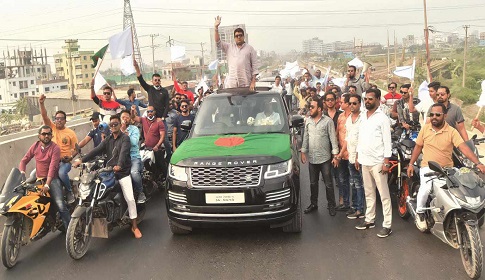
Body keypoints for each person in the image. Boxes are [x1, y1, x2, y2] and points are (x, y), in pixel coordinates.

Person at [407, 103, 485, 231]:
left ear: (445, 115)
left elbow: (463, 148)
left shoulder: (452, 131)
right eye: (431, 114)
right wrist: (411, 164)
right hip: (429, 168)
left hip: (448, 169)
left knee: (459, 187)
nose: (434, 117)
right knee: (426, 188)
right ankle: (420, 212)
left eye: (438, 114)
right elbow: (418, 147)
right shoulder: (425, 129)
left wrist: (478, 163)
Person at [73, 115, 142, 239]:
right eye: (111, 125)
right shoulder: (108, 139)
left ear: (120, 125)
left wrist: (119, 165)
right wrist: (81, 160)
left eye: (116, 124)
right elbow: (96, 150)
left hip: (122, 172)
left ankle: (135, 226)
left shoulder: (125, 138)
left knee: (130, 199)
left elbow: (123, 152)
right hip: (109, 172)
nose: (113, 126)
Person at [355, 88, 393, 238]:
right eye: (366, 98)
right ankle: (369, 219)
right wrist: (358, 155)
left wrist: (386, 161)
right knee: (369, 192)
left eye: (371, 99)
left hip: (378, 161)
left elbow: (387, 141)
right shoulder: (363, 116)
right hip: (365, 160)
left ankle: (387, 225)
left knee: (384, 195)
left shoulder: (382, 118)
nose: (367, 101)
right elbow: (361, 137)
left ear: (378, 99)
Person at [19, 125, 70, 229]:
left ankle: (70, 230)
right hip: (38, 177)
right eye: (43, 134)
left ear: (51, 136)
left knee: (60, 205)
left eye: (48, 134)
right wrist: (22, 173)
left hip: (52, 179)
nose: (46, 136)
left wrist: (47, 184)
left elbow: (52, 167)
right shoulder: (35, 146)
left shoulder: (55, 148)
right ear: (39, 136)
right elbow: (24, 160)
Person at [301, 97, 339, 216]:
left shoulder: (328, 121)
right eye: (309, 107)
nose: (310, 109)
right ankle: (313, 204)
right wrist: (303, 151)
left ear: (319, 109)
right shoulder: (308, 121)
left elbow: (333, 139)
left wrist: (335, 156)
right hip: (312, 158)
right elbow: (306, 137)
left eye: (312, 107)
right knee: (313, 183)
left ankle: (331, 205)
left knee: (328, 183)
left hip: (325, 159)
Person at [39, 94, 78, 204]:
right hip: (51, 161)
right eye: (57, 119)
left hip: (64, 162)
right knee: (35, 173)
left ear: (65, 121)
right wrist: (41, 103)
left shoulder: (71, 133)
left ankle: (70, 191)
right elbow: (44, 116)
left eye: (61, 119)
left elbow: (76, 148)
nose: (58, 121)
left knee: (61, 173)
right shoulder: (52, 128)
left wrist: (70, 157)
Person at [133, 59, 172, 160]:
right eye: (155, 80)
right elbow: (140, 79)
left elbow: (167, 105)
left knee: (165, 141)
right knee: (146, 139)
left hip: (160, 120)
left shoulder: (164, 91)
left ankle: (169, 157)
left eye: (159, 80)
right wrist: (137, 68)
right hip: (150, 119)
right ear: (152, 81)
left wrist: (162, 118)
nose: (157, 81)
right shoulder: (149, 89)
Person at [214, 16, 259, 90]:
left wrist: (253, 82)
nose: (238, 37)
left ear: (243, 36)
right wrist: (216, 28)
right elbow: (218, 42)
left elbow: (255, 67)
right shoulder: (229, 47)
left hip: (246, 84)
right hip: (232, 85)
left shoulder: (250, 49)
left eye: (240, 35)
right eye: (236, 36)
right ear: (234, 38)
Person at [340, 94, 365, 219]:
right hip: (350, 156)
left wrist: (357, 157)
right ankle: (355, 207)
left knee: (359, 184)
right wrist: (340, 154)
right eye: (350, 103)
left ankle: (360, 209)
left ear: (360, 104)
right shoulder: (349, 119)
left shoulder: (364, 118)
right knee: (353, 183)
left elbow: (363, 140)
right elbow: (347, 139)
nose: (352, 106)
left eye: (354, 103)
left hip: (359, 158)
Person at [131, 106, 167, 182]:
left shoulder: (159, 122)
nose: (149, 113)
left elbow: (162, 136)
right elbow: (133, 117)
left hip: (157, 149)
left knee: (161, 164)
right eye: (148, 111)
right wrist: (132, 110)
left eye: (151, 111)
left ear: (154, 112)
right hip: (147, 149)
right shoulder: (143, 120)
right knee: (145, 164)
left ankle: (166, 179)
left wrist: (157, 146)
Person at [120, 110, 145, 204]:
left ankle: (140, 192)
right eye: (123, 117)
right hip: (121, 159)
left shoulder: (134, 129)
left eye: (127, 117)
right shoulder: (116, 130)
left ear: (130, 119)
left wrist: (126, 135)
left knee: (134, 173)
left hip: (134, 157)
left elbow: (134, 142)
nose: (125, 119)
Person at [334, 94, 351, 212]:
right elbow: (336, 134)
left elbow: (349, 139)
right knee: (342, 179)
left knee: (355, 182)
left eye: (342, 102)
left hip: (351, 154)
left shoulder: (355, 118)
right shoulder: (340, 116)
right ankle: (345, 203)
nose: (340, 104)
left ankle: (356, 206)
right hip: (341, 154)